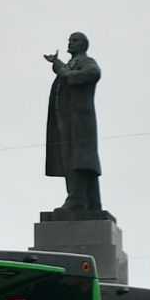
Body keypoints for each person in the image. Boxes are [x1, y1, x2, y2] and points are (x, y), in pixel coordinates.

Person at [45, 32, 103, 214]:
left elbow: (94, 73)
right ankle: (90, 200)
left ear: (84, 45)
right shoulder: (71, 65)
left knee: (79, 160)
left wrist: (62, 70)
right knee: (73, 159)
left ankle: (77, 200)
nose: (70, 43)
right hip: (67, 120)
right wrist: (59, 66)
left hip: (79, 120)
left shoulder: (87, 62)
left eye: (75, 40)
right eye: (69, 40)